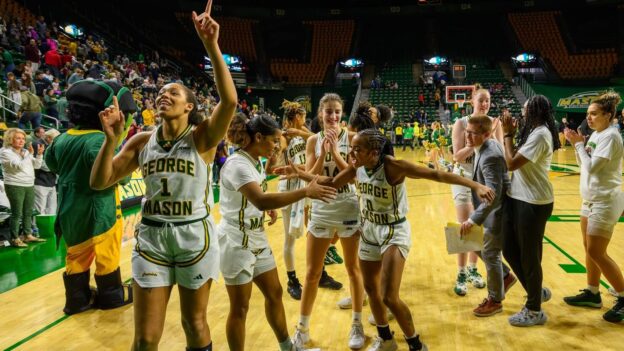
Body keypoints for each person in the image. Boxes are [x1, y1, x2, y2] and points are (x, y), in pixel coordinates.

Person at [89, 3, 237, 349]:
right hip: (153, 237)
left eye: (173, 92)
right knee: (144, 337)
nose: (163, 94)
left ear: (189, 106)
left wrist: (211, 46)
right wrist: (110, 141)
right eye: (161, 91)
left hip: (193, 236)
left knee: (194, 323)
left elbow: (228, 102)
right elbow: (100, 181)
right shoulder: (141, 141)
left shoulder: (202, 137)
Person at [277, 128, 495, 351]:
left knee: (389, 296)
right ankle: (386, 339)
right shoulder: (357, 167)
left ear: (373, 153)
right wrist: (300, 174)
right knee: (371, 290)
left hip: (394, 230)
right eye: (351, 149)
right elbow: (331, 182)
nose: (351, 153)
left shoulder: (393, 166)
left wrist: (475, 185)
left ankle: (416, 344)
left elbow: (436, 175)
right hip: (370, 229)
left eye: (357, 149)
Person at [218, 113, 335, 351]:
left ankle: (287, 347)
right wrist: (304, 192)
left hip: (256, 236)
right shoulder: (237, 164)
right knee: (240, 307)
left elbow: (255, 198)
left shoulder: (254, 161)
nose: (276, 147)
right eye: (273, 141)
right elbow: (261, 200)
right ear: (258, 137)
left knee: (275, 292)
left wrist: (264, 211)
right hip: (235, 241)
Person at [45, 79, 137, 316]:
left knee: (76, 255)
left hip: (69, 211)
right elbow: (121, 177)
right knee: (107, 253)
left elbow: (51, 164)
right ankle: (111, 295)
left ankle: (77, 299)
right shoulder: (99, 141)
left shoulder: (61, 139)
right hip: (99, 212)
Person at [293, 93, 366, 350]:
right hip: (322, 207)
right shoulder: (313, 139)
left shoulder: (354, 138)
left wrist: (335, 152)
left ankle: (357, 323)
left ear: (342, 113)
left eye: (337, 111)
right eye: (328, 112)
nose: (333, 116)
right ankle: (302, 329)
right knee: (313, 272)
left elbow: (355, 175)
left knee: (353, 269)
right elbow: (310, 177)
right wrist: (324, 154)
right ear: (320, 114)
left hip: (348, 205)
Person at [563, 91, 624, 323]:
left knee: (597, 251)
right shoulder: (598, 134)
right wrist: (577, 145)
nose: (589, 118)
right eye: (588, 114)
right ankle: (592, 292)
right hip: (590, 200)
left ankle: (623, 296)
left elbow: (594, 168)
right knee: (589, 249)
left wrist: (578, 145)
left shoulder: (610, 136)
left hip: (605, 201)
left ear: (608, 115)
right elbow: (583, 164)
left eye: (594, 114)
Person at [450, 85, 516, 296]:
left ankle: (473, 269)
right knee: (463, 226)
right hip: (463, 176)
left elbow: (499, 152)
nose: (485, 104)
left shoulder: (493, 123)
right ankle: (460, 272)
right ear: (472, 102)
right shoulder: (461, 123)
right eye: (481, 100)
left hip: (483, 177)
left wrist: (495, 136)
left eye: (487, 100)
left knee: (479, 227)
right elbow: (457, 156)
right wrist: (475, 140)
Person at [501, 95, 560, 326]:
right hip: (517, 197)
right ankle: (536, 289)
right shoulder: (532, 131)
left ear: (535, 111)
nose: (522, 113)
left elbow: (511, 163)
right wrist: (510, 136)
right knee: (508, 249)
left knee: (529, 256)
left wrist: (507, 135)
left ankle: (534, 310)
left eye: (525, 110)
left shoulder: (541, 134)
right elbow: (513, 155)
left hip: (534, 202)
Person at [460, 115, 510, 317]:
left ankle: (495, 300)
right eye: (467, 131)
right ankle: (505, 275)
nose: (468, 136)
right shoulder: (487, 145)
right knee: (472, 243)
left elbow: (493, 195)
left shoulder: (490, 155)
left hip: (497, 213)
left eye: (473, 133)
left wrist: (473, 219)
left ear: (487, 134)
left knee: (489, 254)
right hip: (491, 211)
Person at [270, 99, 314, 300]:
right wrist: (282, 141)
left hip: (306, 186)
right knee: (290, 239)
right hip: (288, 188)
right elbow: (275, 162)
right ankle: (292, 279)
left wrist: (301, 130)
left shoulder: (305, 134)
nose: (305, 120)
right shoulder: (282, 136)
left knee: (313, 231)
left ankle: (318, 273)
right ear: (297, 117)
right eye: (303, 116)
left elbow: (318, 139)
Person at [0, 128, 45, 248]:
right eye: (18, 138)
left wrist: (39, 155)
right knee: (17, 213)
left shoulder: (25, 152)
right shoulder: (5, 152)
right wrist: (29, 154)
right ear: (10, 139)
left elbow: (37, 165)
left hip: (29, 184)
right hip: (15, 185)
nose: (22, 141)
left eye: (23, 138)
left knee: (28, 212)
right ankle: (15, 238)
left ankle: (27, 234)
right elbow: (18, 166)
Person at [33, 128, 60, 215]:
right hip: (40, 181)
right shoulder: (37, 144)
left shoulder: (52, 146)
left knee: (52, 208)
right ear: (48, 137)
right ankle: (37, 228)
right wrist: (56, 167)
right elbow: (39, 163)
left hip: (51, 181)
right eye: (55, 139)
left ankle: (50, 228)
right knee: (40, 209)